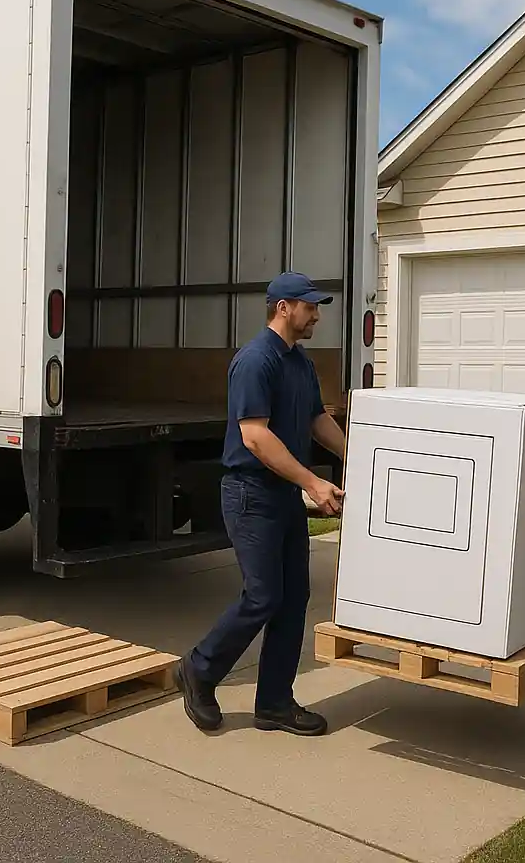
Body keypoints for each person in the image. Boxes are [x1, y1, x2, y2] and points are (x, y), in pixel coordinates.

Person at [175, 272, 347, 736]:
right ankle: (199, 668)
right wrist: (312, 481)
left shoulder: (299, 361)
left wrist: (357, 455)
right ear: (283, 307)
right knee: (263, 595)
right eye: (310, 306)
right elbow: (254, 435)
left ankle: (274, 703)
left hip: (281, 494)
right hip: (250, 494)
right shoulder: (255, 360)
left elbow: (316, 419)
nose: (317, 315)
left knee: (293, 599)